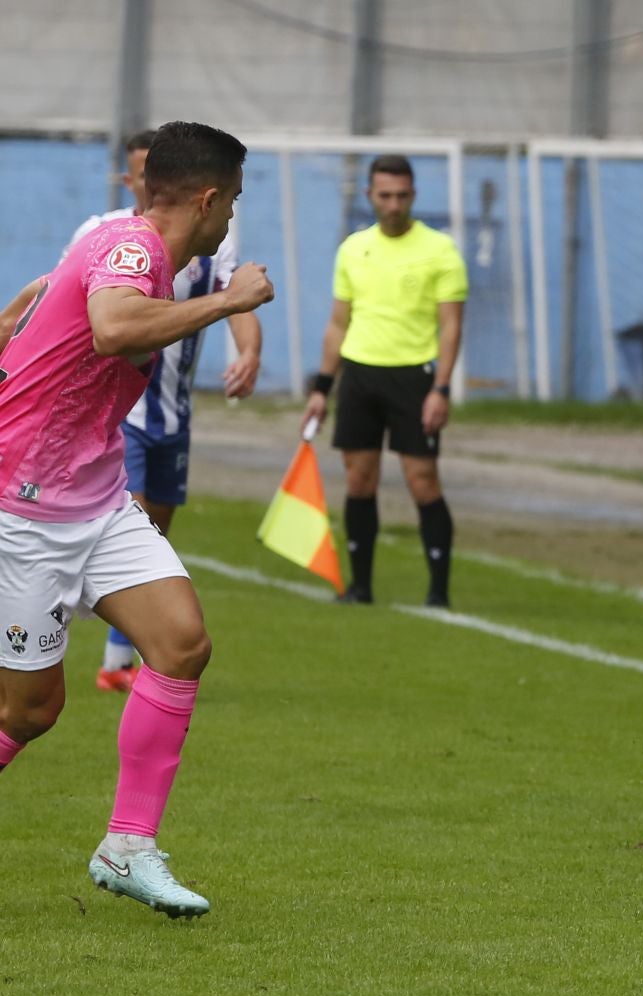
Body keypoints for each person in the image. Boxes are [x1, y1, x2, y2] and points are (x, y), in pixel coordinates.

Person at [0, 121, 273, 918]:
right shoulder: (138, 250)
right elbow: (113, 328)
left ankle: (127, 846)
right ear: (209, 198)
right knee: (30, 711)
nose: (231, 223)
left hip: (96, 498)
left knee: (182, 643)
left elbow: (33, 310)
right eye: (234, 203)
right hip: (27, 513)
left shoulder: (120, 245)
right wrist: (231, 301)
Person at [59, 129, 265, 694]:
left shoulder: (206, 242)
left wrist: (249, 349)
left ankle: (120, 657)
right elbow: (84, 312)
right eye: (138, 170)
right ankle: (116, 658)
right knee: (30, 702)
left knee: (159, 530)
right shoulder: (107, 238)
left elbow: (234, 294)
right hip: (113, 420)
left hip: (173, 410)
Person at [300, 154, 468, 608]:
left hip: (415, 377)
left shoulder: (440, 251)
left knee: (422, 480)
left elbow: (451, 325)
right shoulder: (354, 248)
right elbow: (338, 323)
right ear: (371, 195)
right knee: (359, 480)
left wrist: (442, 388)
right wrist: (322, 389)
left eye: (401, 195)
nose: (393, 204)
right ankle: (361, 587)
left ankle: (438, 592)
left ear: (413, 196)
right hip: (359, 373)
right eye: (384, 195)